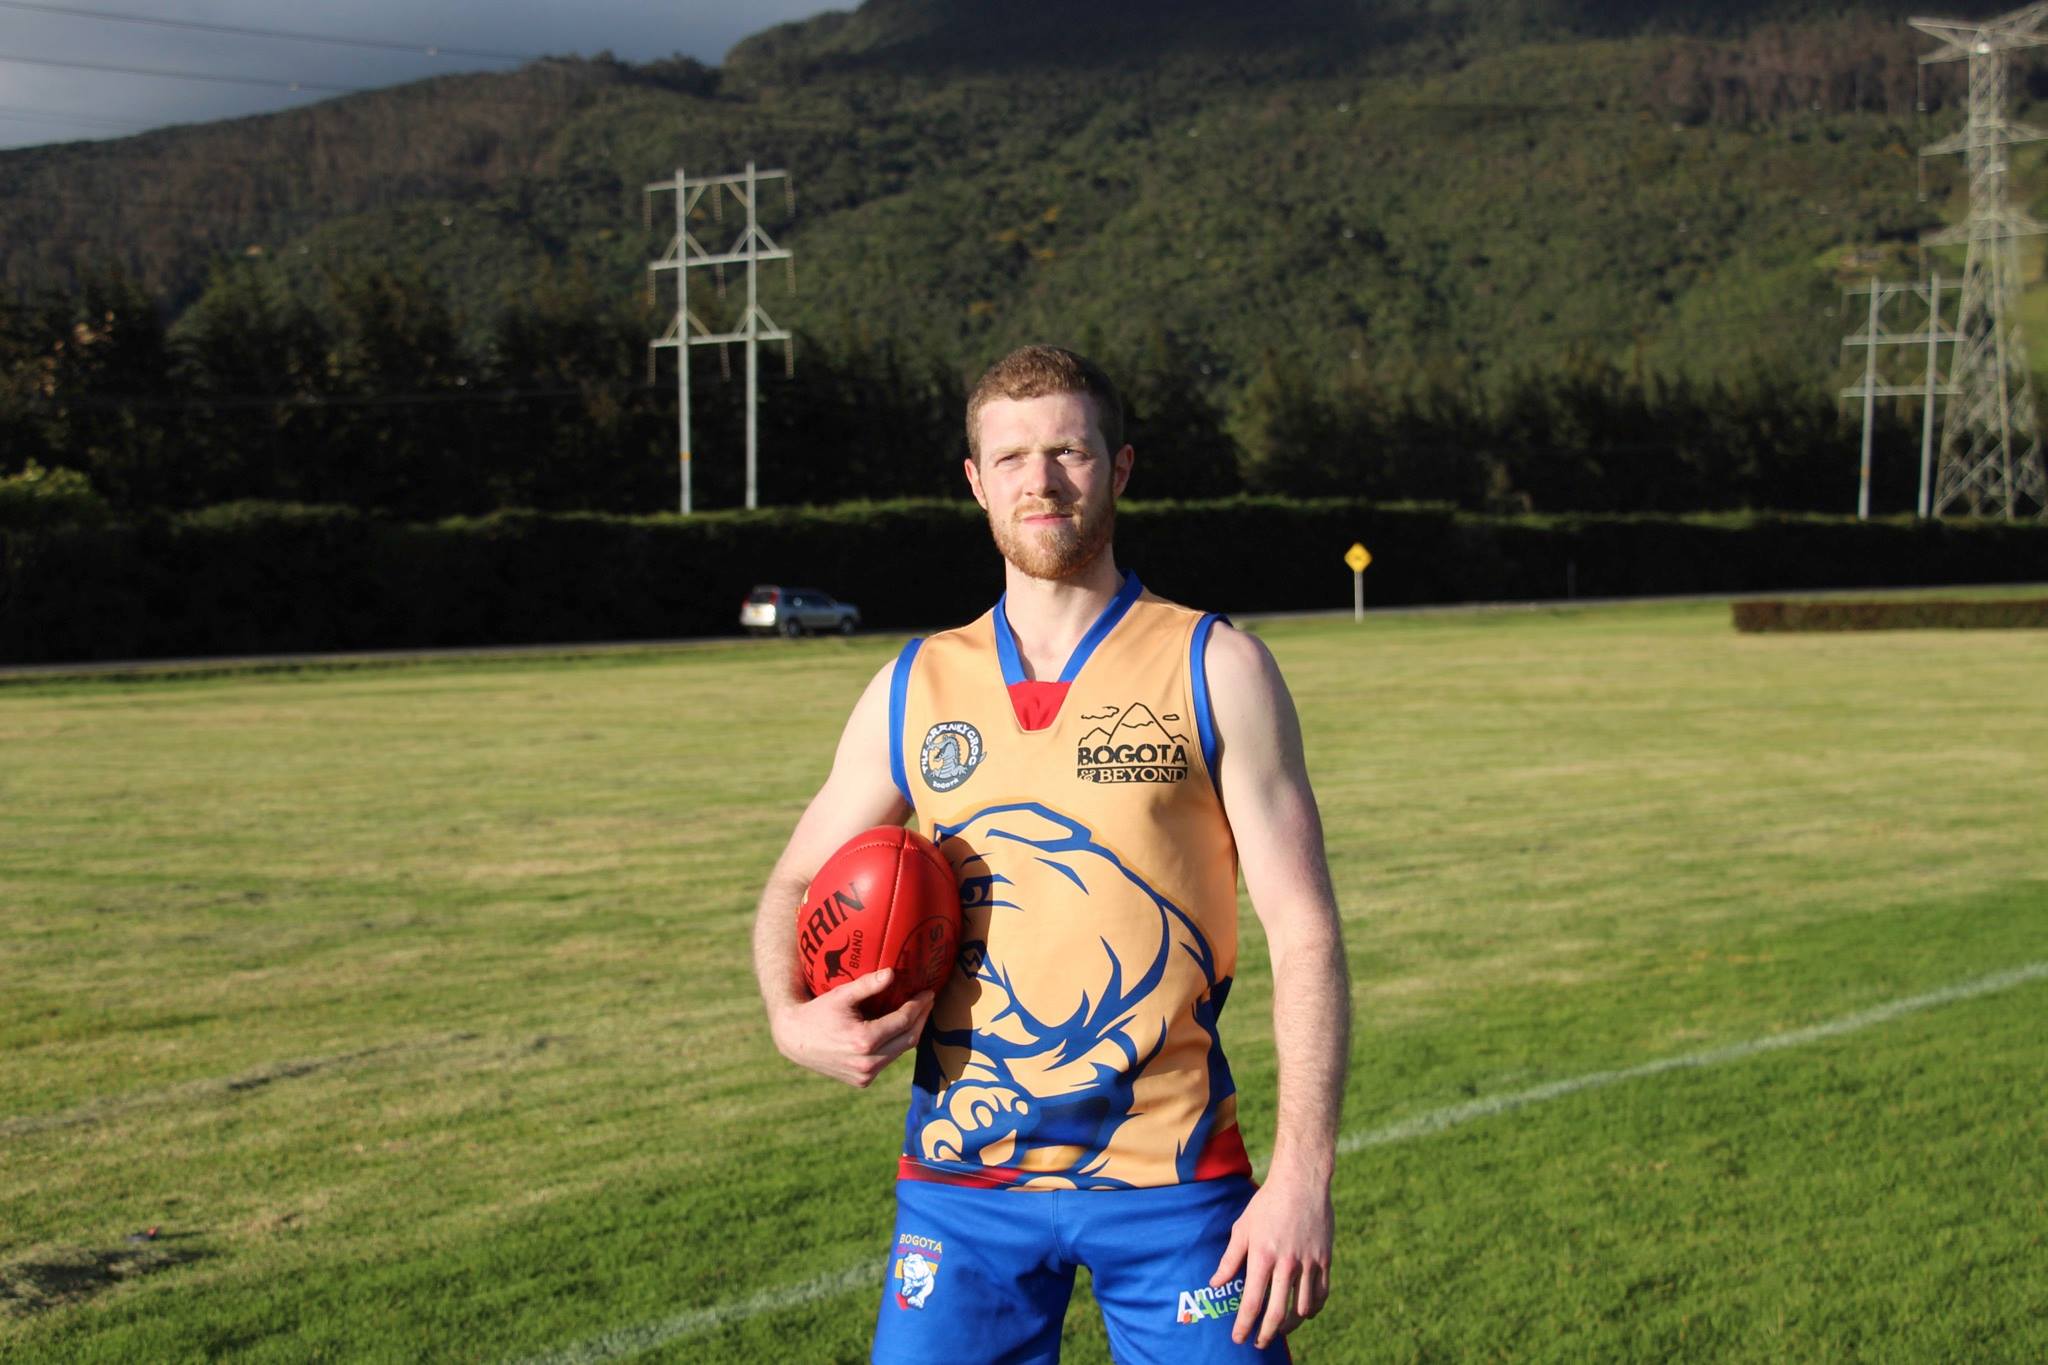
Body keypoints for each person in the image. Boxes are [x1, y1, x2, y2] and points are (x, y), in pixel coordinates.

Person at [751, 345, 1350, 1363]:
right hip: (960, 1189)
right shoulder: (915, 685)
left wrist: (1302, 1176)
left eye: (1068, 451)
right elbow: (798, 878)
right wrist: (786, 1013)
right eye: (1012, 457)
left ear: (1119, 468)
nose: (1041, 480)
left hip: (1174, 1182)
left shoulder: (1216, 667)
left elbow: (1305, 936)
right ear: (976, 482)